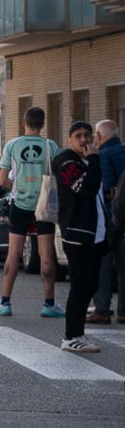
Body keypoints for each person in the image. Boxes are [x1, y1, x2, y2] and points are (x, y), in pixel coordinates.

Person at [0, 107, 62, 314]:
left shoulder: (13, 145)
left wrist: (15, 188)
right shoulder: (51, 146)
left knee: (14, 253)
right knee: (47, 253)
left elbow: (2, 179)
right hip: (44, 205)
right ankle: (49, 304)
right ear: (43, 124)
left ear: (24, 121)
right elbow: (58, 175)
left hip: (20, 203)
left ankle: (5, 303)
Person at [52, 121, 104, 353]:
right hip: (77, 234)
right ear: (70, 139)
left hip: (96, 234)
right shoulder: (66, 162)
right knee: (80, 285)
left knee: (89, 285)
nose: (84, 140)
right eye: (79, 136)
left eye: (88, 135)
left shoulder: (87, 161)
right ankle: (71, 336)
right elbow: (87, 188)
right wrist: (94, 159)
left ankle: (79, 332)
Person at [91, 119, 125, 325]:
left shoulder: (103, 155)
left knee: (103, 261)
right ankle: (123, 310)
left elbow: (105, 189)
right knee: (123, 265)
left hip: (111, 216)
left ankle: (102, 308)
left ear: (99, 137)